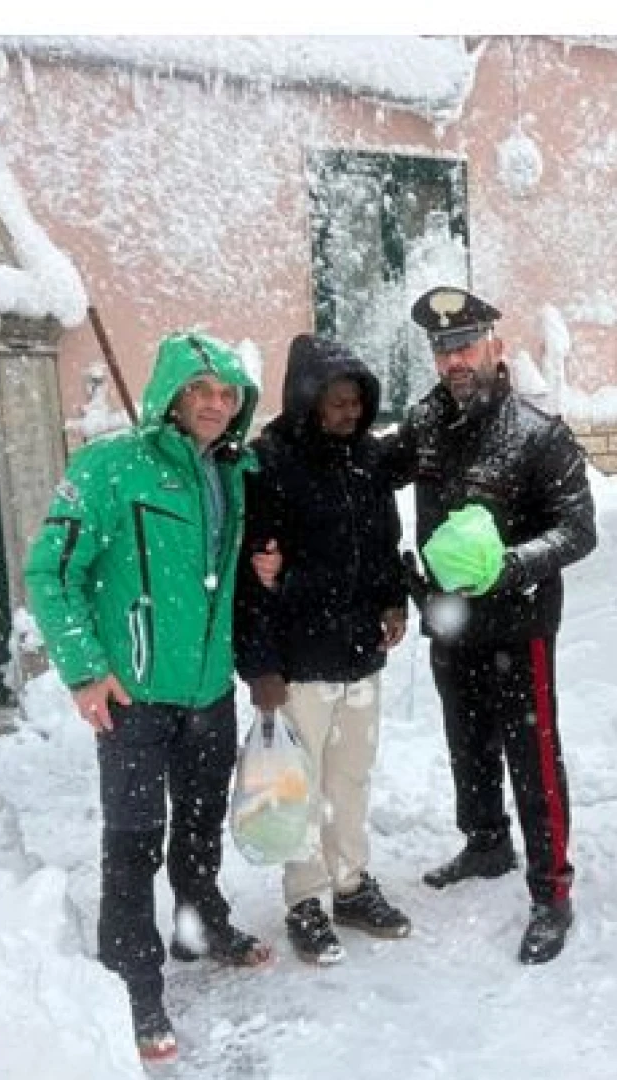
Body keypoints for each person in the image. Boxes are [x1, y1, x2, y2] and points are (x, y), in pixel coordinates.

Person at [24, 330, 273, 1067]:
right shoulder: (108, 466)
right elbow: (50, 571)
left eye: (228, 395)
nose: (215, 406)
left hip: (207, 691)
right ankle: (132, 977)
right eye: (201, 391)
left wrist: (264, 559)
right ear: (171, 393)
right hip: (133, 695)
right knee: (133, 840)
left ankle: (200, 924)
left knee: (198, 827)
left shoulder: (230, 473)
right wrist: (84, 670)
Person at [384, 285, 598, 965]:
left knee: (532, 760)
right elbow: (366, 472)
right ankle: (485, 842)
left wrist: (510, 565)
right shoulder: (424, 423)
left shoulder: (538, 434)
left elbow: (579, 530)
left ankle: (552, 891)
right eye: (443, 348)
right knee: (466, 741)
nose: (455, 359)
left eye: (466, 344)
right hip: (452, 622)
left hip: (518, 625)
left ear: (495, 348)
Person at [235, 333, 416, 966]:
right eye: (337, 403)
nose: (349, 415)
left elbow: (385, 540)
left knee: (351, 777)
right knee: (299, 783)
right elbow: (247, 573)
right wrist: (259, 664)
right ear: (307, 400)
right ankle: (305, 898)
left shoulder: (366, 459)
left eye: (357, 403)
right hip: (301, 662)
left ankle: (350, 882)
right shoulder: (270, 464)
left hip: (361, 652)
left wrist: (394, 600)